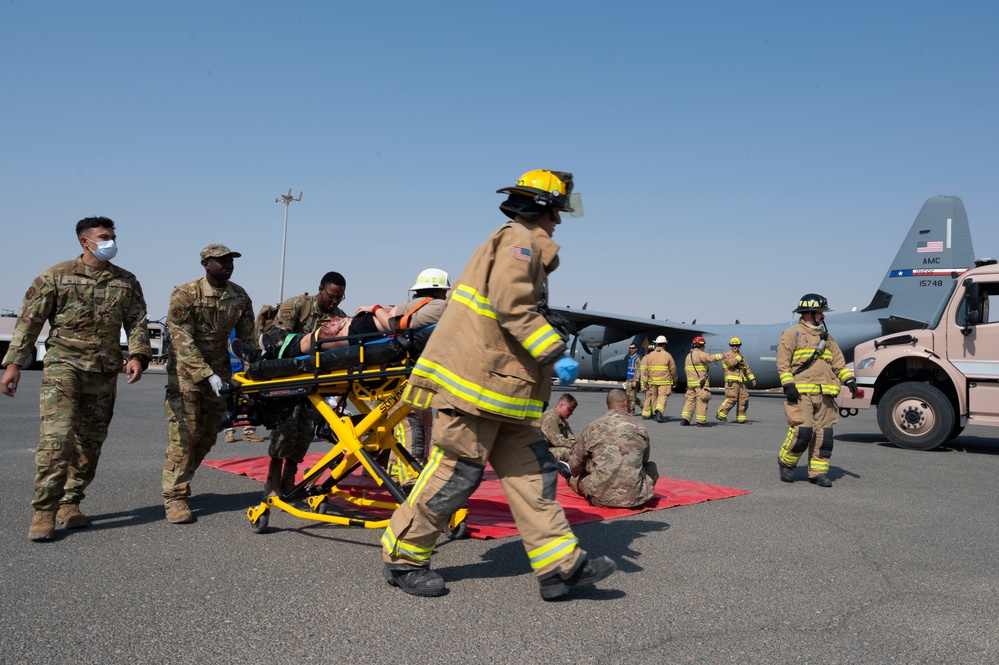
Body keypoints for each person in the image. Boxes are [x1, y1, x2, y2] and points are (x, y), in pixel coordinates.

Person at [380, 169, 616, 600]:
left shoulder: (522, 244)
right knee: (456, 473)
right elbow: (512, 306)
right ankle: (404, 556)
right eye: (556, 213)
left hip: (506, 392)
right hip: (476, 389)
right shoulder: (518, 242)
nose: (559, 222)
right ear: (541, 209)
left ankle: (559, 568)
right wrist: (554, 352)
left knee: (534, 477)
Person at [1, 216, 151, 542]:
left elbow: (138, 321)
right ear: (86, 241)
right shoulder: (56, 276)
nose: (112, 240)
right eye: (105, 236)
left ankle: (70, 503)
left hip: (104, 370)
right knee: (58, 438)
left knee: (90, 444)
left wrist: (138, 356)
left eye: (113, 235)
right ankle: (44, 510)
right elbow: (29, 321)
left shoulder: (126, 281)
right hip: (63, 367)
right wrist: (13, 364)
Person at [161, 244, 256, 523]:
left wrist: (250, 373)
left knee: (208, 435)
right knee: (185, 435)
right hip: (186, 375)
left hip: (221, 376)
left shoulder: (239, 296)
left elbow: (247, 340)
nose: (228, 265)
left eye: (231, 261)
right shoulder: (186, 293)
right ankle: (175, 497)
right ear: (205, 263)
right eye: (222, 261)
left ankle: (181, 479)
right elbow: (181, 339)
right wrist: (206, 373)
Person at [262, 272, 348, 497]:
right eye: (331, 296)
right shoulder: (297, 305)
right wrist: (309, 347)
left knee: (305, 432)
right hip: (288, 378)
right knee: (285, 429)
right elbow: (277, 340)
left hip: (316, 382)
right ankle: (272, 482)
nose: (335, 302)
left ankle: (289, 480)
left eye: (340, 298)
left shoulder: (339, 317)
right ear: (320, 289)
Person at [777, 294, 857, 487]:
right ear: (808, 313)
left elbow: (838, 362)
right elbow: (783, 363)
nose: (823, 316)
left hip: (826, 395)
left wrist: (850, 380)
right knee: (802, 432)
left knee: (824, 435)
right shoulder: (791, 334)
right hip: (801, 393)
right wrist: (788, 385)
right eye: (820, 312)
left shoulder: (827, 338)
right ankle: (787, 462)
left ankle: (818, 473)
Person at [565, 389, 659, 509]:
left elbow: (574, 468)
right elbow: (644, 461)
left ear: (607, 406)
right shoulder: (640, 427)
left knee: (578, 478)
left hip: (600, 498)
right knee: (652, 466)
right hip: (636, 498)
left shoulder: (593, 427)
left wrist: (588, 468)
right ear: (626, 403)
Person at [224, 328, 264, 443]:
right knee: (228, 400)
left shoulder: (242, 328)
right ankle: (229, 430)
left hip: (244, 370)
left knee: (251, 399)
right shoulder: (220, 329)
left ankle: (249, 431)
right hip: (227, 371)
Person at [680, 336, 724, 426]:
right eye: (703, 346)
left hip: (691, 383)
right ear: (700, 346)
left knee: (690, 401)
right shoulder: (700, 354)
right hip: (700, 383)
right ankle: (701, 421)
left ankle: (685, 419)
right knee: (702, 401)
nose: (704, 348)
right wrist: (723, 356)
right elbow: (710, 358)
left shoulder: (688, 356)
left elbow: (685, 369)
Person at [716, 337, 757, 424]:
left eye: (736, 345)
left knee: (744, 400)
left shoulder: (742, 356)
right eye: (733, 345)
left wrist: (752, 378)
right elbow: (731, 363)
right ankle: (720, 414)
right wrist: (739, 358)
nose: (735, 347)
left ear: (739, 346)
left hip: (741, 382)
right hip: (732, 382)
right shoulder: (727, 355)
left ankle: (741, 419)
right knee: (731, 399)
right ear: (731, 346)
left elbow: (747, 369)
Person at [641, 335, 677, 423]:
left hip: (652, 381)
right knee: (662, 397)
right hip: (664, 381)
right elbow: (673, 370)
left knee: (654, 397)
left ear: (657, 344)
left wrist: (645, 382)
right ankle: (659, 412)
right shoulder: (668, 355)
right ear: (664, 344)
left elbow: (645, 371)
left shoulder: (650, 356)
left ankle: (654, 413)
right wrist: (674, 381)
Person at [540, 393, 578, 462]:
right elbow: (557, 441)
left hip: (551, 448)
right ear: (561, 405)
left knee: (577, 453)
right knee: (569, 453)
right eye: (570, 409)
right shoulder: (550, 418)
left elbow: (571, 437)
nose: (571, 413)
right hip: (541, 450)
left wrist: (577, 445)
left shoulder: (563, 421)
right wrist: (577, 446)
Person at [624, 343, 642, 415]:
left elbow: (638, 370)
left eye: (633, 348)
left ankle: (631, 412)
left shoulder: (637, 358)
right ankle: (642, 405)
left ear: (636, 349)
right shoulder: (630, 357)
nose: (631, 349)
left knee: (632, 397)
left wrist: (636, 381)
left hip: (633, 380)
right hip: (629, 379)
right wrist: (627, 379)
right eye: (630, 348)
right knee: (629, 396)